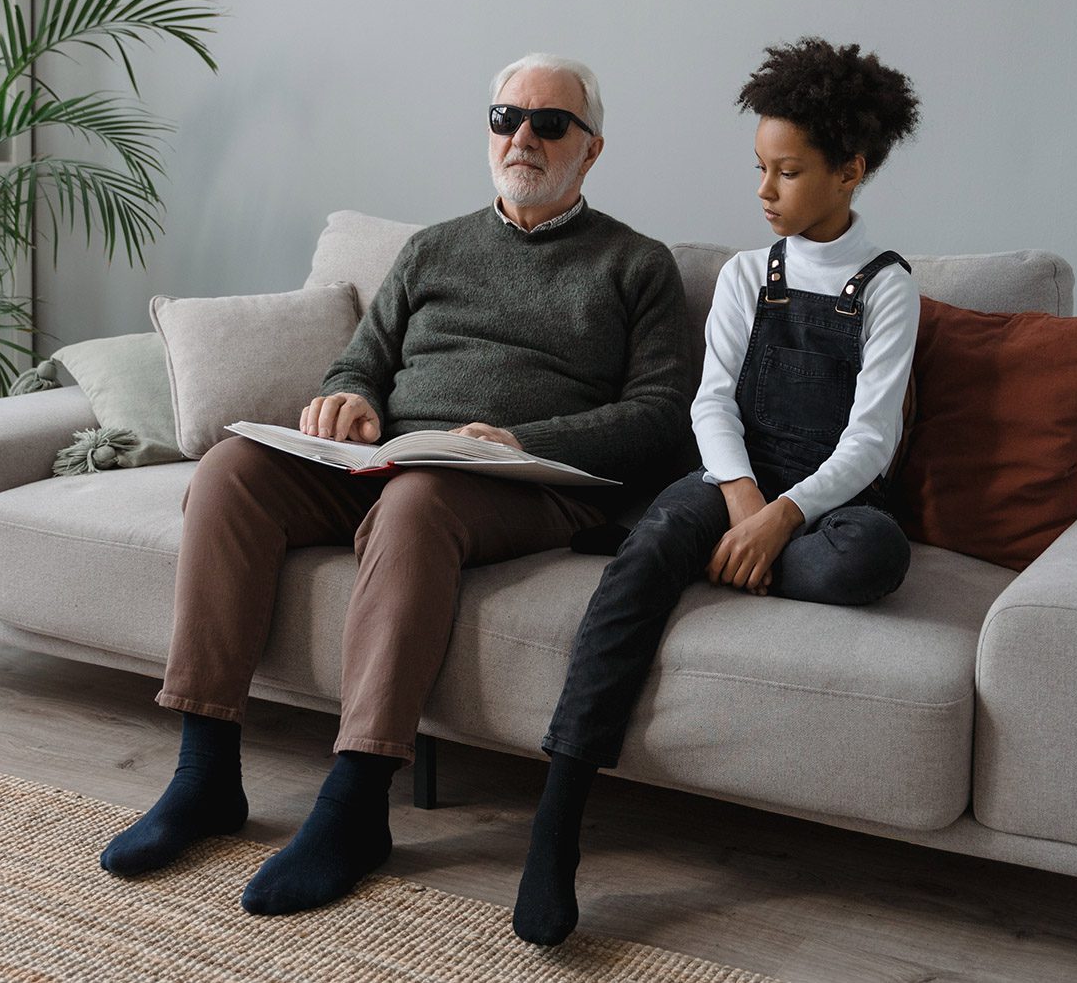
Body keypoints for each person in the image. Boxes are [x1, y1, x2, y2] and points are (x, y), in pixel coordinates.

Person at [99, 52, 692, 916]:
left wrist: (514, 436)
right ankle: (205, 775)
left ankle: (356, 803)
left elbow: (660, 416)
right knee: (231, 470)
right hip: (398, 458)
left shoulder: (636, 265)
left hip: (523, 479)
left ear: (591, 149)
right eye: (505, 119)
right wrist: (347, 400)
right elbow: (360, 363)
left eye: (549, 124)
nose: (522, 137)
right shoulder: (432, 248)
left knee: (417, 502)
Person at [512, 37, 922, 946]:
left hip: (825, 500)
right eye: (759, 170)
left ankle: (720, 556)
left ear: (850, 173)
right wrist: (741, 503)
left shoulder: (888, 287)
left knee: (877, 555)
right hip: (731, 477)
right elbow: (710, 401)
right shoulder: (746, 274)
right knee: (656, 544)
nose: (765, 192)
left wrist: (782, 519)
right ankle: (557, 821)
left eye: (788, 172)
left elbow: (872, 440)